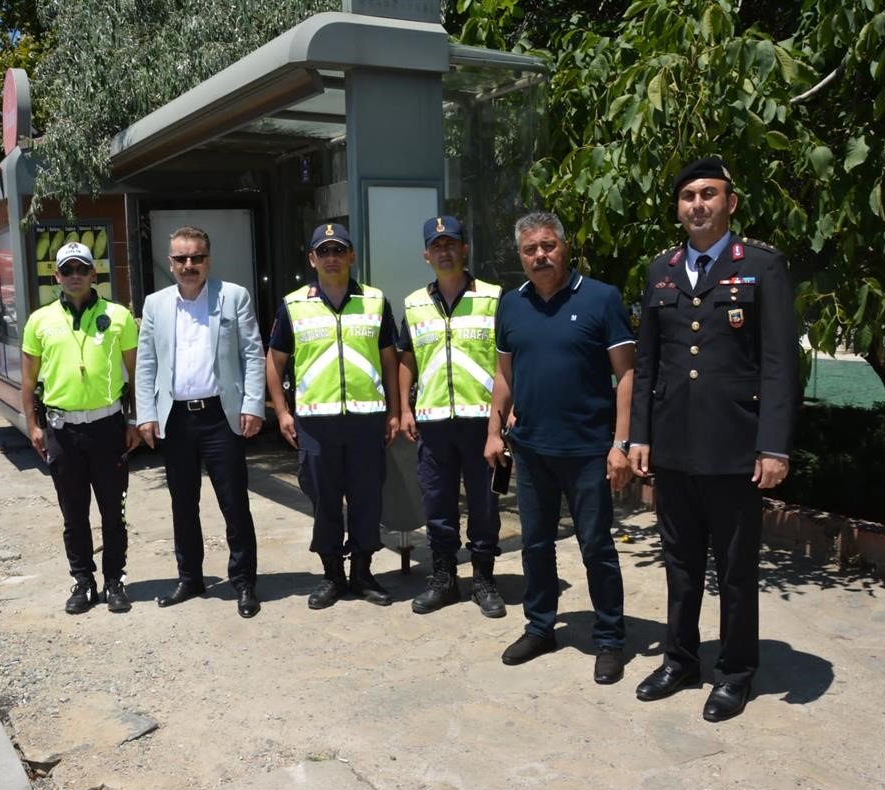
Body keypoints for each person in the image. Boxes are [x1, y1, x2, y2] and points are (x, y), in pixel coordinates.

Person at [628, 157, 798, 722]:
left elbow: (778, 364)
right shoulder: (661, 271)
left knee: (734, 570)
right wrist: (639, 436)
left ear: (731, 202)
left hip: (734, 449)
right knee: (679, 563)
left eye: (708, 194)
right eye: (687, 196)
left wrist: (773, 446)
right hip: (674, 448)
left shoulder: (761, 267)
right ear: (678, 208)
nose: (697, 204)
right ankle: (680, 660)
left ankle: (735, 671)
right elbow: (648, 365)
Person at [484, 211, 634, 686]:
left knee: (596, 547)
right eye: (530, 249)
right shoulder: (511, 305)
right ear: (520, 256)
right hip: (531, 450)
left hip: (589, 450)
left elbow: (627, 375)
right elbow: (504, 374)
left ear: (564, 247)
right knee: (535, 544)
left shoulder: (601, 298)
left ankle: (610, 638)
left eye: (548, 245)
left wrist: (621, 444)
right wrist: (493, 430)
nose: (540, 256)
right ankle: (540, 626)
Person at [266, 222, 400, 609]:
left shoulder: (375, 301)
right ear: (312, 259)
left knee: (366, 499)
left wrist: (394, 410)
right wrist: (282, 412)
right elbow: (274, 362)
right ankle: (332, 576)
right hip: (316, 422)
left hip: (366, 420)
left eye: (338, 250)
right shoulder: (293, 305)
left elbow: (389, 361)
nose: (331, 258)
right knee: (324, 501)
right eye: (323, 252)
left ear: (351, 255)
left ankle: (362, 572)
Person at [134, 226, 265, 618]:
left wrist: (254, 405)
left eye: (196, 257)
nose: (188, 265)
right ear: (170, 262)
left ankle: (244, 582)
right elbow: (146, 363)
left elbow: (253, 354)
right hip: (175, 419)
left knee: (234, 503)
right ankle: (190, 577)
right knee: (183, 504)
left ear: (208, 259)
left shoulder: (233, 297)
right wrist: (146, 414)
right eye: (181, 258)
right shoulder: (156, 305)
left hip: (220, 417)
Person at [21, 241, 140, 615]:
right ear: (56, 276)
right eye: (67, 270)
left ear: (93, 274)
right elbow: (28, 381)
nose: (74, 276)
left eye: (81, 269)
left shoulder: (118, 316)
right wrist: (33, 426)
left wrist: (135, 420)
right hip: (62, 431)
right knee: (74, 514)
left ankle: (114, 581)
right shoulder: (39, 320)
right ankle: (83, 583)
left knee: (112, 513)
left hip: (108, 428)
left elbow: (137, 374)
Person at [398, 215, 504, 618]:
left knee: (485, 505)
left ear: (464, 249)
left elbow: (506, 362)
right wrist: (404, 408)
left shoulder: (493, 298)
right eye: (436, 245)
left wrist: (505, 416)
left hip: (483, 423)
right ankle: (444, 578)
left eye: (451, 243)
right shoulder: (413, 304)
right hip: (434, 421)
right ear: (427, 255)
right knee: (437, 505)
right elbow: (406, 359)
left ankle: (484, 580)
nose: (444, 251)